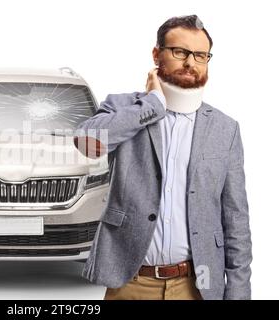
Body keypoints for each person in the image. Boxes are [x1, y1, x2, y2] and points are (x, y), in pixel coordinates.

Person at [75, 15, 252, 300]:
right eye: (179, 52)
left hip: (196, 284)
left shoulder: (225, 129)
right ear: (157, 54)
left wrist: (239, 292)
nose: (190, 63)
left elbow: (236, 219)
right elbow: (87, 142)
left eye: (200, 55)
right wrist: (152, 105)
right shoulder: (125, 108)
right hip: (131, 282)